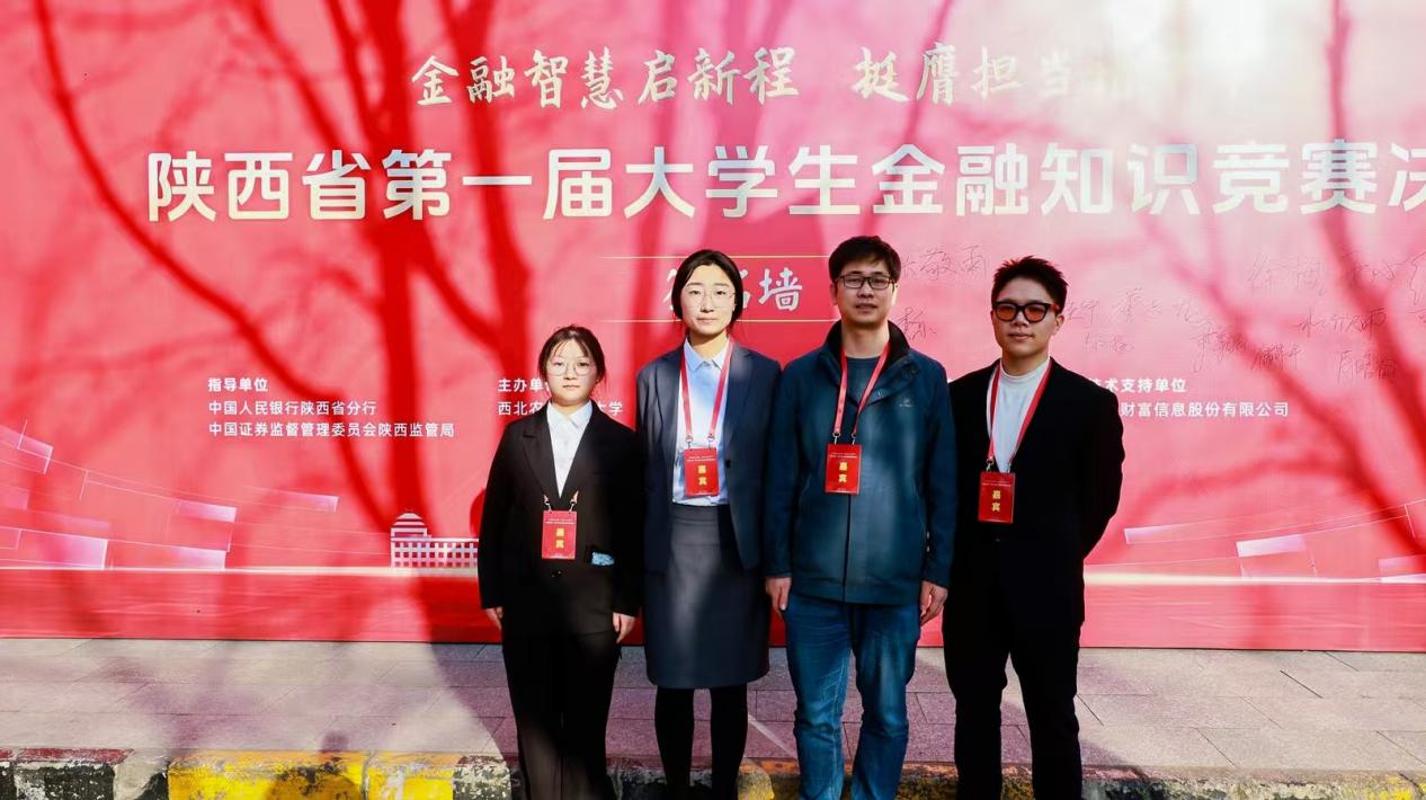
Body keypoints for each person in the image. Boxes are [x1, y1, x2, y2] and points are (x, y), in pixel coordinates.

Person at [763, 235, 957, 800]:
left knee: (888, 715)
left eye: (877, 280)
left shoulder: (925, 377)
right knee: (815, 715)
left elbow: (943, 482)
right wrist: (777, 563)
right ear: (833, 291)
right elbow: (780, 477)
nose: (865, 290)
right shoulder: (801, 376)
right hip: (813, 582)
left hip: (893, 583)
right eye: (853, 279)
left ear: (894, 291)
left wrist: (938, 568)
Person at [943, 256, 1125, 799]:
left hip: (1048, 591)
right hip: (972, 588)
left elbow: (1099, 501)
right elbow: (943, 489)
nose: (1020, 319)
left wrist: (1052, 553)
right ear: (992, 317)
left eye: (1035, 309)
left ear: (1057, 319)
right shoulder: (958, 397)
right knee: (974, 713)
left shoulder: (1088, 404)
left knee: (1052, 716)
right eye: (1007, 309)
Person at [636, 249, 781, 800]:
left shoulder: (764, 374)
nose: (708, 302)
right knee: (672, 682)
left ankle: (723, 789)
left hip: (735, 543)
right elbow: (645, 471)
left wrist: (776, 558)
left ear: (737, 303)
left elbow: (776, 471)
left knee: (729, 683)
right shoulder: (653, 376)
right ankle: (676, 786)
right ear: (678, 301)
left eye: (721, 291)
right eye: (695, 290)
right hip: (672, 542)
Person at [477, 325, 642, 800]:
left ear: (599, 374)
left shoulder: (621, 443)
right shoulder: (518, 437)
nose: (570, 373)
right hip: (527, 602)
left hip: (594, 605)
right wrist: (493, 591)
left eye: (582, 363)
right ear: (543, 372)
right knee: (535, 725)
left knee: (586, 726)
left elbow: (633, 528)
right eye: (559, 362)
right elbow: (495, 520)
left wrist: (626, 600)